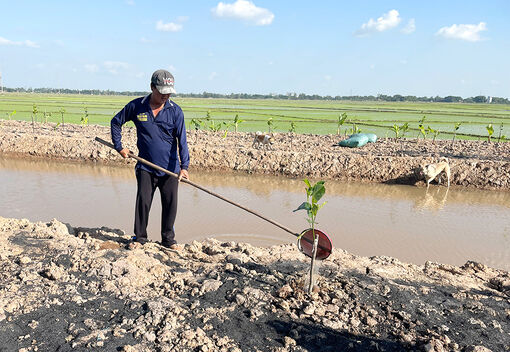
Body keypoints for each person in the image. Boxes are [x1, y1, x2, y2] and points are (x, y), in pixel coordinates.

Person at [110, 69, 189, 250]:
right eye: (161, 91)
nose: (165, 95)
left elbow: (182, 141)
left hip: (170, 169)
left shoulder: (175, 111)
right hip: (145, 166)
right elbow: (116, 122)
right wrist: (119, 146)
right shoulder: (137, 106)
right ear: (152, 87)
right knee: (143, 202)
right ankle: (139, 238)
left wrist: (184, 166)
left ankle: (168, 240)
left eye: (168, 92)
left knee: (170, 205)